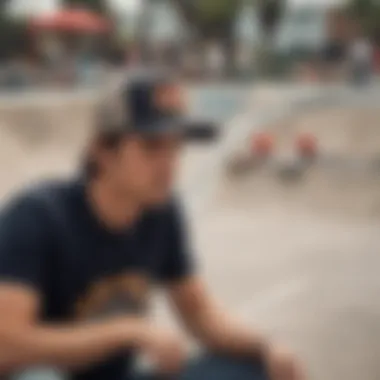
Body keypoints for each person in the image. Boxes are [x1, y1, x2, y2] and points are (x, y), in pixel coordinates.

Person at [0, 69, 304, 380]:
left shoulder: (161, 213)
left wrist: (267, 345)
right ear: (102, 151)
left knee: (259, 370)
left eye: (175, 145)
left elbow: (200, 314)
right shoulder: (38, 216)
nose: (169, 162)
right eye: (151, 145)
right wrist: (127, 331)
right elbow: (6, 345)